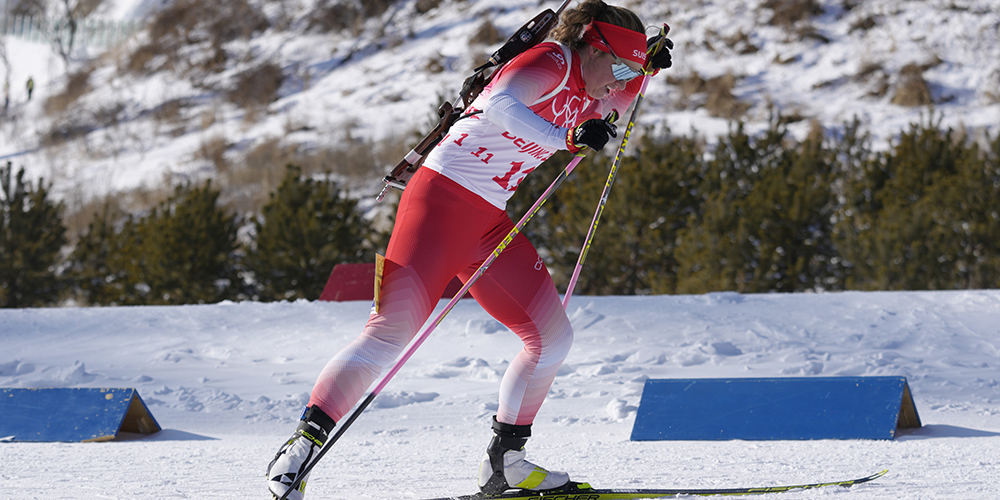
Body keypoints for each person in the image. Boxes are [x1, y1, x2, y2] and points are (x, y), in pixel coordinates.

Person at [266, 1, 672, 499]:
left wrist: (645, 66)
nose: (620, 81)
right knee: (391, 334)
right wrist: (563, 136)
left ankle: (506, 464)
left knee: (550, 338)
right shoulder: (553, 60)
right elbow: (499, 104)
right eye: (620, 66)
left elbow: (616, 99)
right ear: (593, 43)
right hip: (438, 202)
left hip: (488, 223)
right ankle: (298, 451)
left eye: (629, 70)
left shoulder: (593, 86)